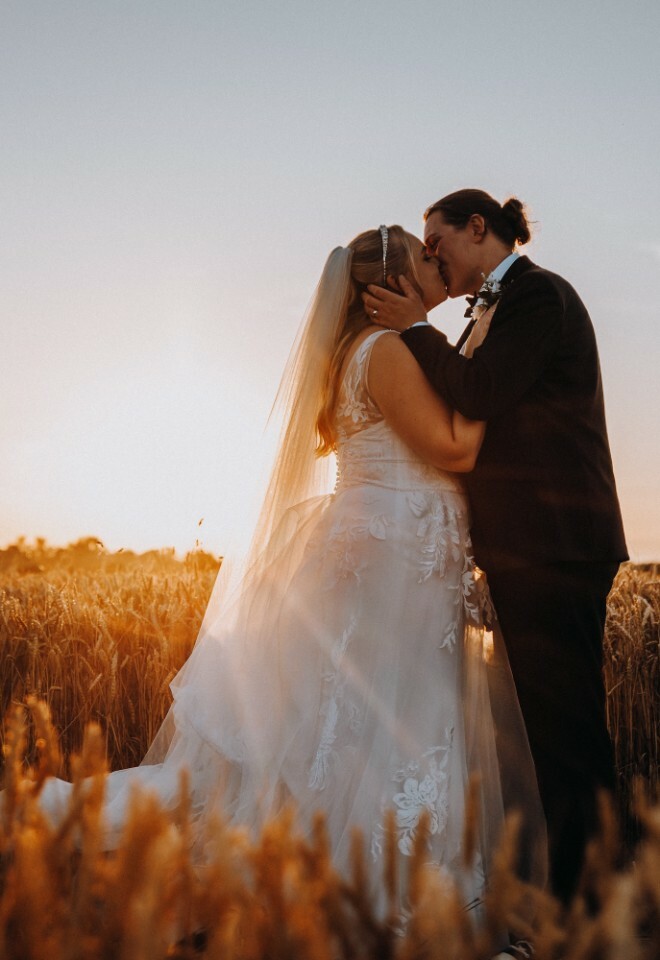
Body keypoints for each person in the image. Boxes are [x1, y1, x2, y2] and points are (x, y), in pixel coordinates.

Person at [35, 225, 545, 928]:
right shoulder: (387, 350)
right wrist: (493, 370)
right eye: (423, 258)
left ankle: (374, 872)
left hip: (398, 556)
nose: (437, 263)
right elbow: (452, 447)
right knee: (384, 723)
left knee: (367, 727)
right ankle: (373, 883)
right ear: (390, 285)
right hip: (396, 560)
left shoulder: (360, 351)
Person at [363, 191, 628, 905]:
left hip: (556, 548)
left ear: (478, 228)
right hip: (531, 550)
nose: (429, 256)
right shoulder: (494, 308)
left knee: (567, 737)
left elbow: (478, 396)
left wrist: (415, 327)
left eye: (435, 239)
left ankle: (595, 914)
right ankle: (587, 901)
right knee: (550, 736)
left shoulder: (539, 297)